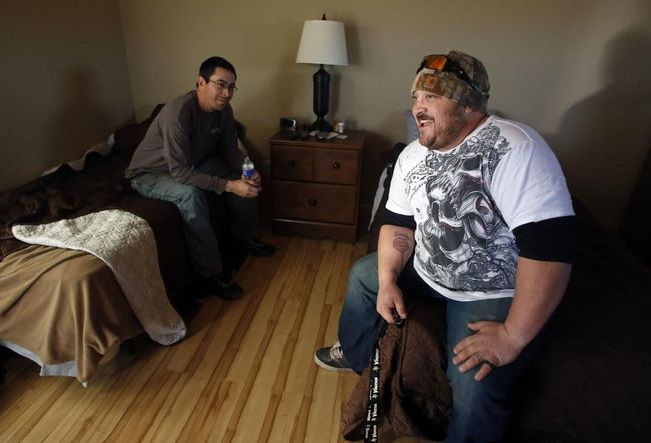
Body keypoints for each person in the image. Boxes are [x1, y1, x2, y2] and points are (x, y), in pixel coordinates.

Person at [314, 51, 579, 442]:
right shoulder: (411, 156)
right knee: (365, 275)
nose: (418, 106)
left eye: (431, 97)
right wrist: (388, 280)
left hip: (491, 289)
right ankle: (356, 357)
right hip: (427, 268)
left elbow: (553, 246)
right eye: (415, 97)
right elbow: (398, 224)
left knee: (475, 385)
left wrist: (512, 337)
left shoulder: (514, 147)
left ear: (467, 103)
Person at [125, 56, 274, 300]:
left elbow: (229, 150)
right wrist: (229, 186)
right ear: (200, 83)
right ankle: (211, 274)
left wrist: (248, 171)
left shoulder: (223, 110)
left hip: (191, 163)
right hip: (151, 173)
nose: (226, 93)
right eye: (220, 84)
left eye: (231, 87)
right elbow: (180, 173)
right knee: (191, 197)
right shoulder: (178, 113)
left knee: (242, 180)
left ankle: (243, 241)